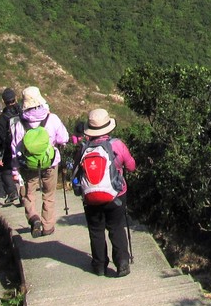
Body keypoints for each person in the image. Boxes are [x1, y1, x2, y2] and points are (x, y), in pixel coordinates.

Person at [76, 108, 136, 277]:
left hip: (90, 197)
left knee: (96, 230)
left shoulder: (83, 148)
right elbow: (131, 166)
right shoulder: (116, 145)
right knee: (116, 227)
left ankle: (99, 265)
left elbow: (76, 172)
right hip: (115, 195)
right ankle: (122, 262)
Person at [10, 86, 69, 237]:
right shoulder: (52, 118)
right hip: (50, 162)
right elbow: (64, 138)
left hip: (28, 165)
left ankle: (33, 217)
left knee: (29, 194)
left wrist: (15, 170)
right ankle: (48, 226)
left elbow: (15, 150)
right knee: (48, 194)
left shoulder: (20, 124)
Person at [0, 88, 21, 205]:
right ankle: (25, 197)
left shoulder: (2, 118)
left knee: (5, 171)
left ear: (3, 101)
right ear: (16, 98)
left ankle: (12, 192)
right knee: (24, 171)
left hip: (10, 147)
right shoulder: (22, 112)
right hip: (24, 145)